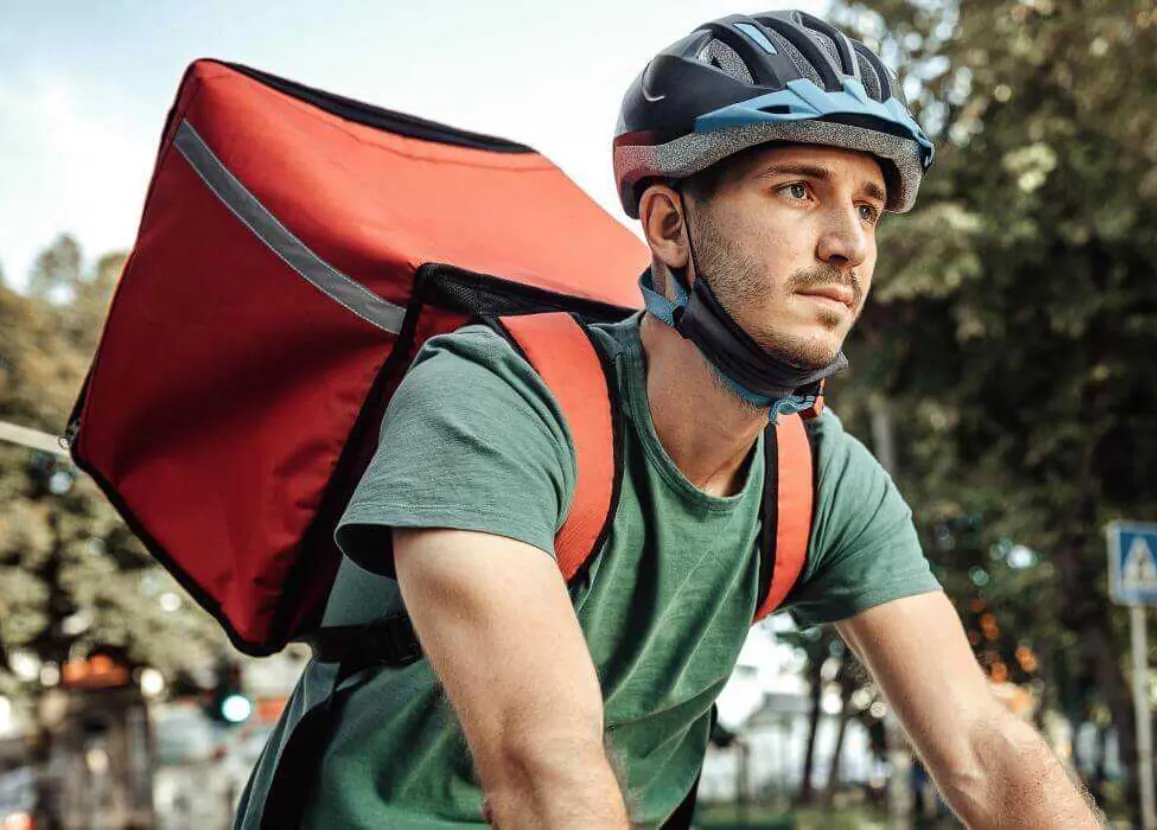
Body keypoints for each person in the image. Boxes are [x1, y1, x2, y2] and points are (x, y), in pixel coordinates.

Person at [236, 9, 1104, 829]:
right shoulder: (495, 399)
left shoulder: (818, 477)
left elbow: (987, 753)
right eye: (799, 191)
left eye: (868, 205)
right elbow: (542, 766)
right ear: (668, 225)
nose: (848, 244)